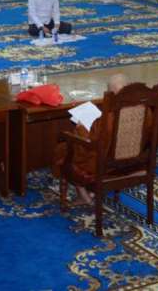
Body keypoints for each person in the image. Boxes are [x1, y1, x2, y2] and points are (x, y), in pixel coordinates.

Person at [52, 74, 133, 205]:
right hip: (131, 160)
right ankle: (90, 193)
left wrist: (80, 127)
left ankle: (84, 195)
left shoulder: (108, 119)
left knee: (66, 149)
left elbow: (89, 142)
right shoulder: (145, 112)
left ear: (110, 94)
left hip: (105, 165)